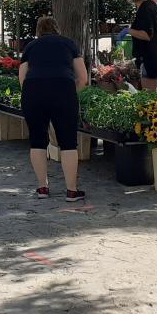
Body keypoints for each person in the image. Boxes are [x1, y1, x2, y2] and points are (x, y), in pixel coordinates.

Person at [19, 16, 89, 201]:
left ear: (38, 31)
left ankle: (42, 187)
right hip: (63, 89)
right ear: (57, 29)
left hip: (33, 91)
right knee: (68, 142)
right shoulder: (69, 44)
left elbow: (22, 78)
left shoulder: (30, 47)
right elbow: (83, 78)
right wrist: (69, 91)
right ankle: (71, 190)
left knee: (37, 140)